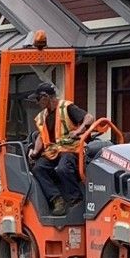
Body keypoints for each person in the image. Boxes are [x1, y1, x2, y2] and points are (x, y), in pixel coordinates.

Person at [26, 82, 93, 215]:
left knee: (63, 168)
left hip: (71, 149)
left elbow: (89, 118)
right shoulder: (42, 116)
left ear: (45, 97)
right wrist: (34, 152)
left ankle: (76, 199)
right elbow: (41, 135)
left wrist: (78, 131)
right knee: (39, 168)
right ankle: (57, 200)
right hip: (53, 151)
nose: (37, 103)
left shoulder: (67, 108)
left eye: (38, 99)